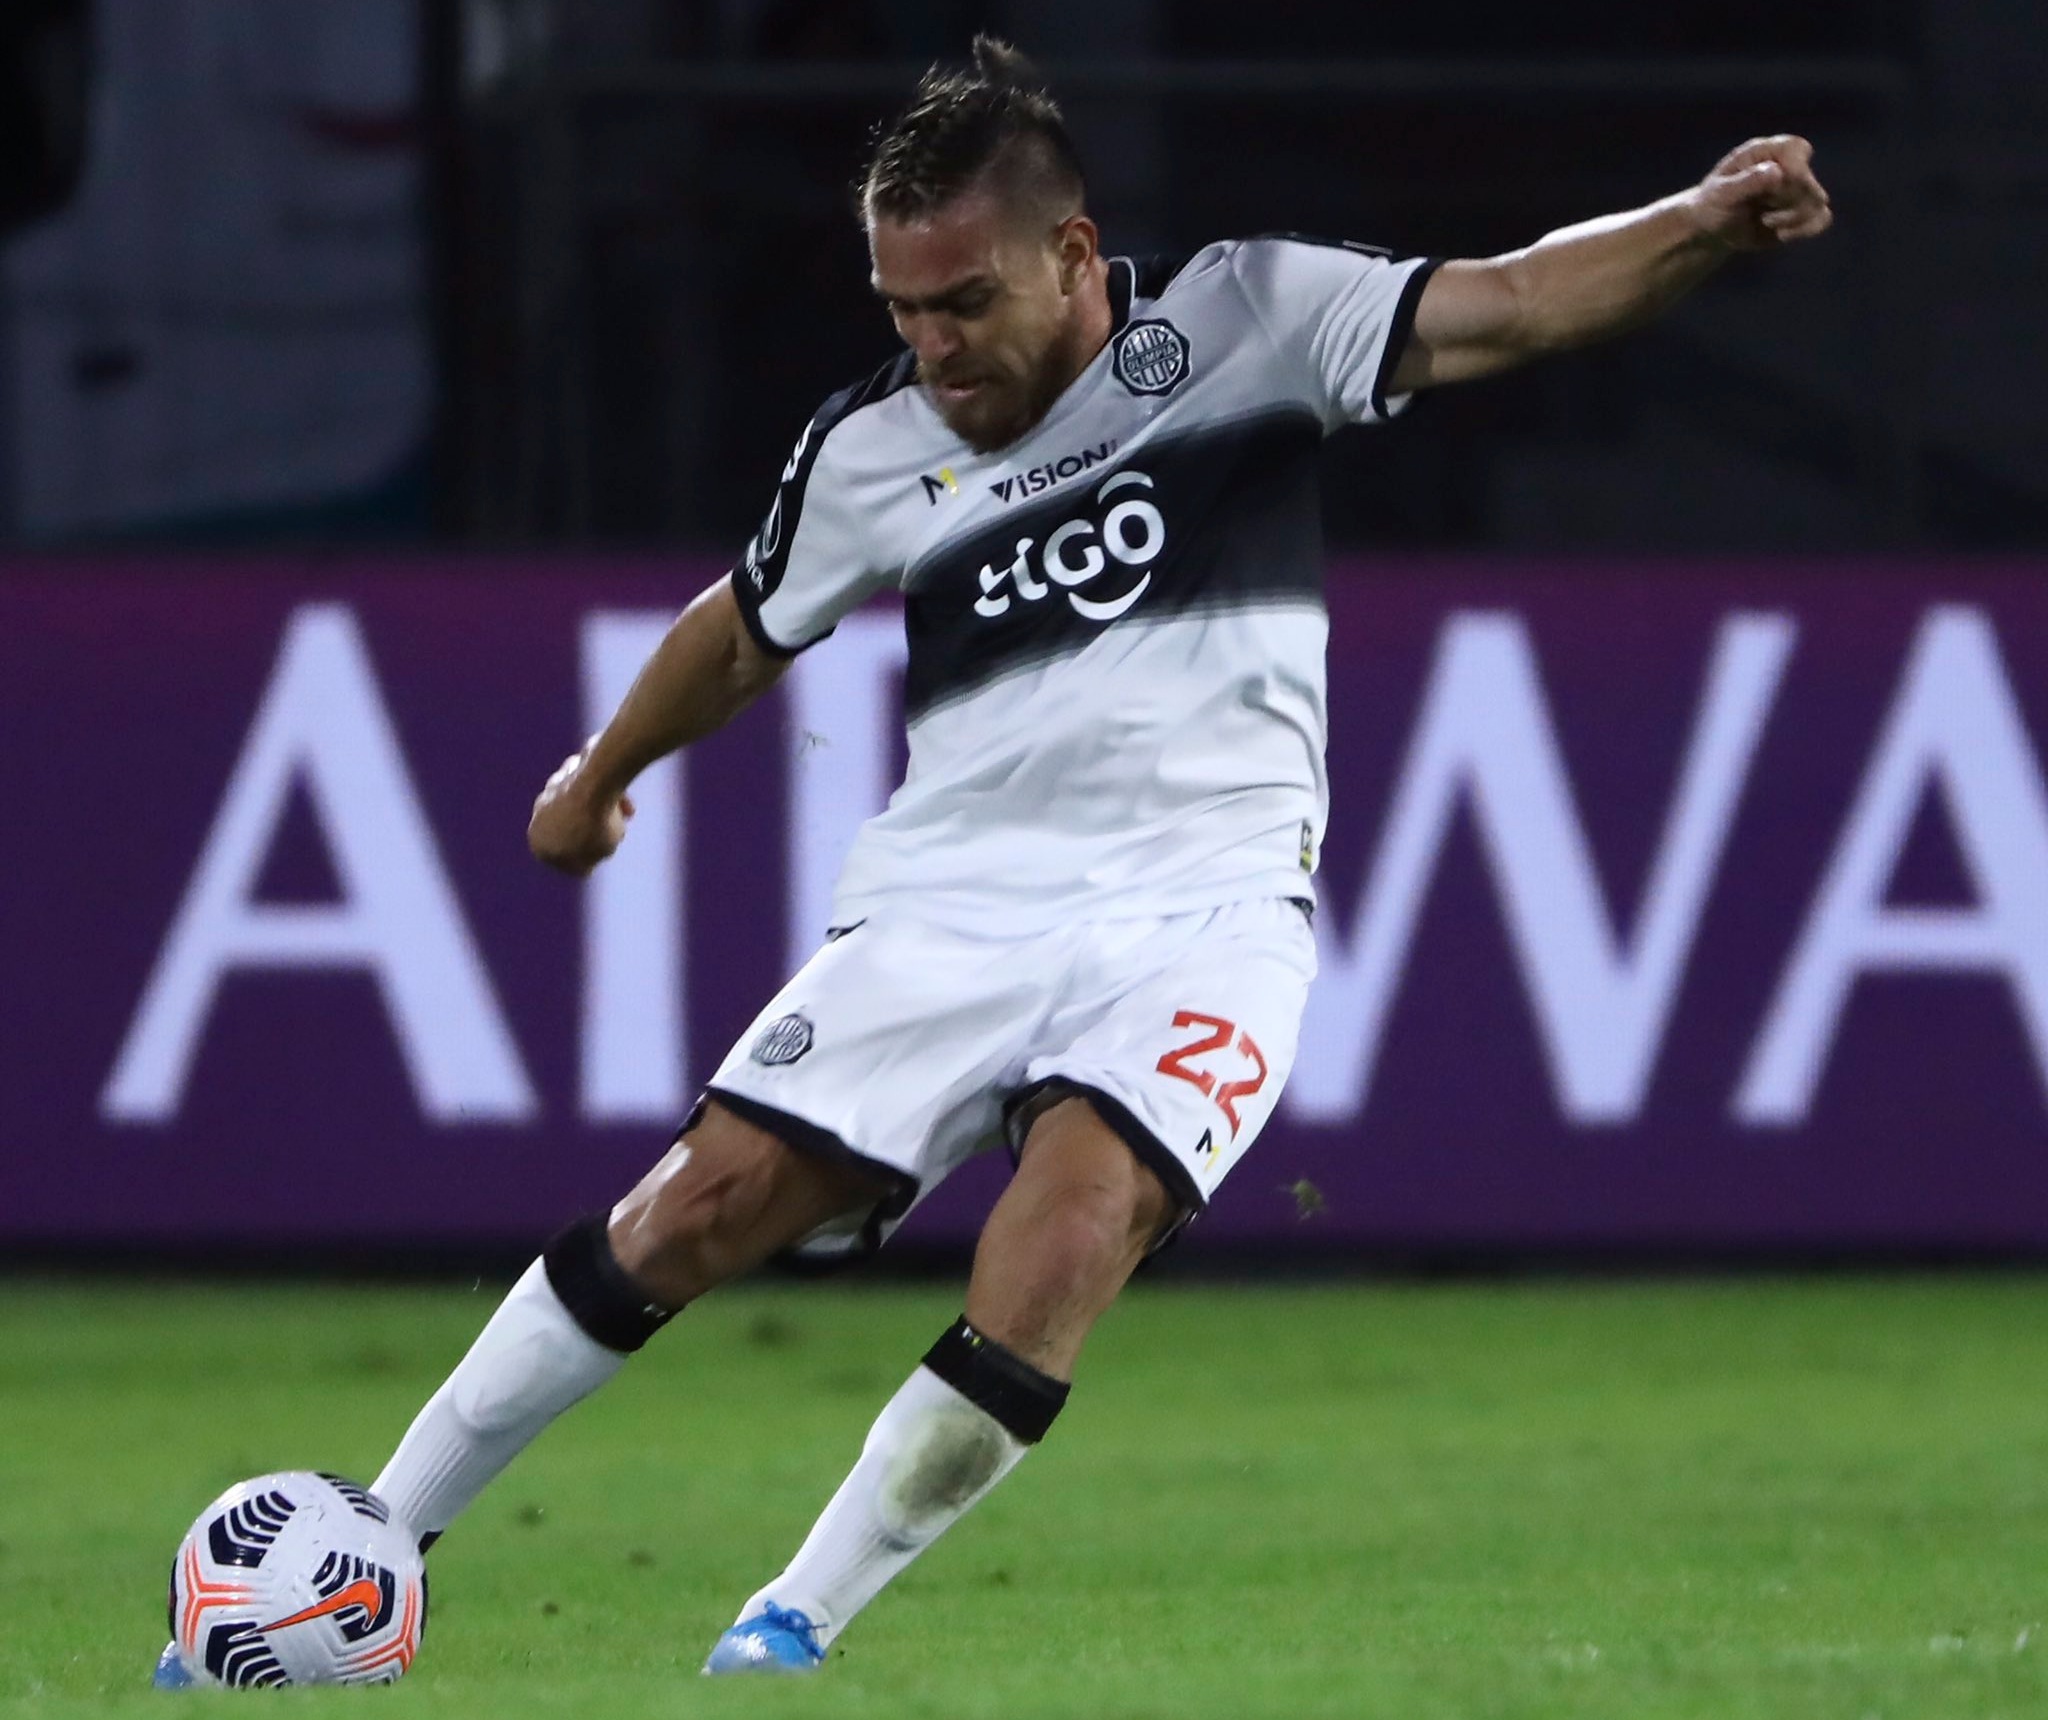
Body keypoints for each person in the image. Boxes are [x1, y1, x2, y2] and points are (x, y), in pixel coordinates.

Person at [159, 35, 1831, 1686]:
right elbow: (742, 631)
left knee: (1072, 1226)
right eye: (902, 308)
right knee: (695, 1208)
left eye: (963, 302)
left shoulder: (1248, 320)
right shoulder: (874, 448)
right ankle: (379, 1535)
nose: (933, 345)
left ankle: (786, 1630)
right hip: (951, 905)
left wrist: (1696, 219)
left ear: (1074, 253)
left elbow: (1512, 302)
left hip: (1207, 911)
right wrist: (601, 774)